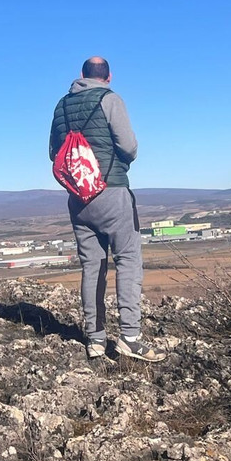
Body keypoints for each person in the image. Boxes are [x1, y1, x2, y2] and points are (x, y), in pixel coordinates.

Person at [49, 56, 165, 362]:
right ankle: (130, 338)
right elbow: (129, 146)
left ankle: (96, 339)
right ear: (108, 77)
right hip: (111, 191)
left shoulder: (61, 106)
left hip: (78, 197)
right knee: (128, 260)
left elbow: (53, 152)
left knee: (92, 266)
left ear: (81, 75)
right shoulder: (110, 99)